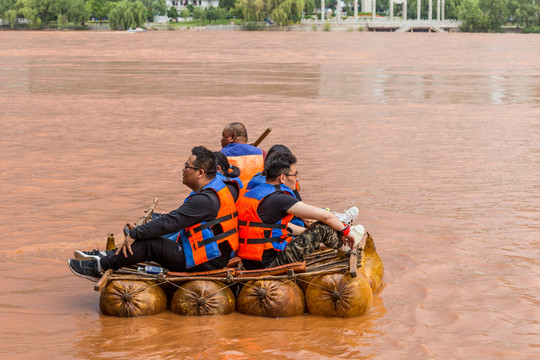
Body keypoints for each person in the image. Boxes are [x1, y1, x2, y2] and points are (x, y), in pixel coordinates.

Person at [68, 146, 239, 281]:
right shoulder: (215, 188)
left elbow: (171, 222)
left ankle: (99, 268)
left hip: (206, 262)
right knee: (152, 233)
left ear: (200, 173)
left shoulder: (205, 200)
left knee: (149, 243)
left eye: (187, 167)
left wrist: (135, 233)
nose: (183, 170)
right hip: (210, 253)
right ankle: (105, 257)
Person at [236, 152, 361, 270]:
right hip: (270, 263)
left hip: (249, 261)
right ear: (283, 178)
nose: (296, 178)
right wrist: (345, 230)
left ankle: (339, 241)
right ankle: (345, 246)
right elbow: (325, 216)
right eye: (295, 174)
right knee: (322, 228)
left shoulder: (253, 193)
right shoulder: (280, 199)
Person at [220, 122, 264, 190]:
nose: (221, 140)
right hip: (255, 196)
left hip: (232, 197)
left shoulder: (220, 156)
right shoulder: (262, 153)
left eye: (223, 136)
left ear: (233, 137)